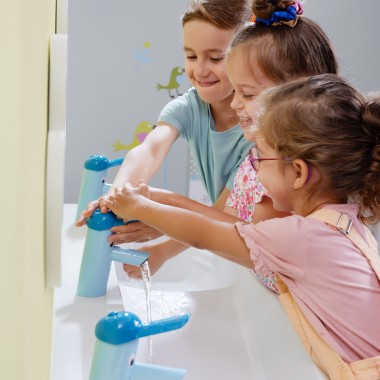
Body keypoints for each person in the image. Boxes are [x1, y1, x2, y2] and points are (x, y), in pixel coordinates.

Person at [104, 74, 380, 377]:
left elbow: (203, 235)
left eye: (260, 158)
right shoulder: (341, 222)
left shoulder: (299, 238)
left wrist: (138, 207)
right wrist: (150, 197)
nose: (254, 168)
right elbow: (212, 222)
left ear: (299, 173)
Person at [122, 0, 340, 282]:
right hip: (275, 291)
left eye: (247, 94)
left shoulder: (284, 165)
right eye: (191, 56)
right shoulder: (258, 159)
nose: (236, 104)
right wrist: (149, 201)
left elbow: (234, 236)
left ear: (294, 92)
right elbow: (233, 225)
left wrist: (156, 214)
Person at [76, 0, 253, 262]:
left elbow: (222, 217)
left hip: (258, 248)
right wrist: (117, 196)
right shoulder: (191, 106)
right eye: (191, 56)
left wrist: (162, 234)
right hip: (231, 240)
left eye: (216, 58)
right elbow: (150, 150)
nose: (200, 70)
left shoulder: (257, 131)